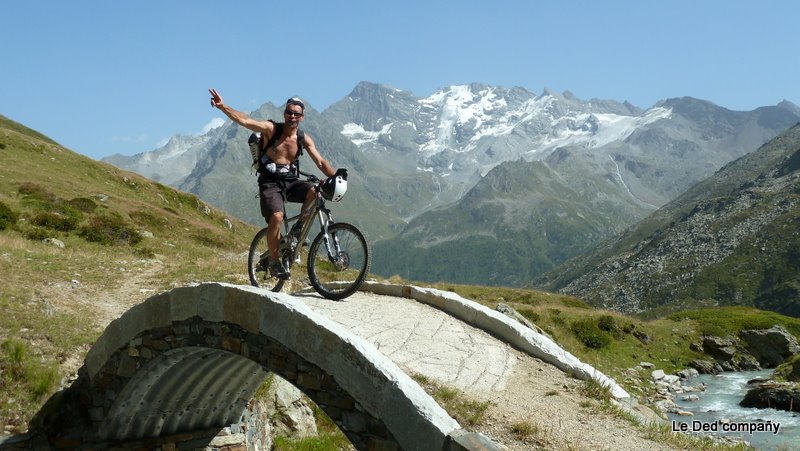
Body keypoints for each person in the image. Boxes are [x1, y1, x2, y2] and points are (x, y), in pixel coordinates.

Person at [209, 88, 338, 279]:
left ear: (302, 117)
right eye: (289, 112)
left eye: (296, 114)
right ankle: (275, 263)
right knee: (277, 217)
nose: (292, 116)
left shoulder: (303, 138)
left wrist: (336, 177)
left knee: (314, 190)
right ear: (284, 113)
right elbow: (245, 121)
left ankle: (298, 230)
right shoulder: (272, 130)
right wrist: (222, 107)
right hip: (270, 184)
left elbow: (320, 162)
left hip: (290, 182)